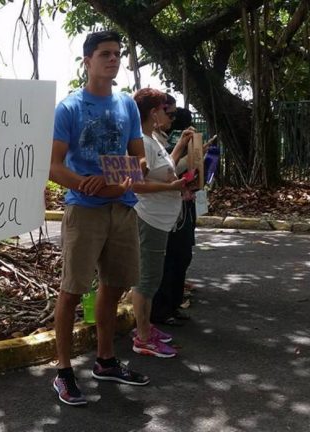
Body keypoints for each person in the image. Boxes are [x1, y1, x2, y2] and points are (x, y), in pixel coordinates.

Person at [48, 30, 149, 406]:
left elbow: (140, 159)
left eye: (117, 54)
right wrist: (87, 185)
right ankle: (62, 371)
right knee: (72, 290)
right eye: (105, 53)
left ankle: (105, 361)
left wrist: (126, 176)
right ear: (87, 61)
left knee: (114, 286)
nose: (113, 59)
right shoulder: (69, 108)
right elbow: (54, 167)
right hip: (84, 211)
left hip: (122, 209)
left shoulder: (127, 105)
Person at [129, 88, 190, 358]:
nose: (168, 115)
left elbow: (167, 170)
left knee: (152, 278)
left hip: (160, 219)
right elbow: (136, 185)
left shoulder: (152, 139)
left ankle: (146, 327)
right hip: (149, 218)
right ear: (153, 112)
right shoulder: (140, 141)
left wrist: (177, 180)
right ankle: (142, 337)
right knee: (147, 280)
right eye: (165, 110)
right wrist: (172, 187)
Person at [151, 107, 199, 326]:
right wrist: (182, 148)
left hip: (182, 205)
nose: (171, 119)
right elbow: (165, 170)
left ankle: (173, 304)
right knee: (168, 260)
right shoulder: (148, 141)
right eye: (167, 113)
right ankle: (160, 311)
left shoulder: (160, 139)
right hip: (162, 210)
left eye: (172, 115)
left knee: (182, 255)